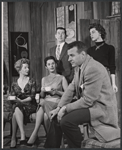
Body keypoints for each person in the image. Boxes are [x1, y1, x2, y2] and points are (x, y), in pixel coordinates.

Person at [50, 41, 120, 148]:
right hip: (91, 105)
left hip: (100, 108)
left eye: (72, 55)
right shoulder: (79, 67)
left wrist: (65, 108)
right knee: (55, 117)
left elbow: (88, 100)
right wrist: (59, 107)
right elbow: (71, 89)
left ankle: (79, 147)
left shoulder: (92, 68)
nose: (69, 59)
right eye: (68, 56)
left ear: (83, 54)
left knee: (66, 121)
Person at [26, 56, 68, 146]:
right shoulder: (44, 79)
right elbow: (42, 95)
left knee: (42, 103)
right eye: (49, 64)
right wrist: (42, 90)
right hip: (46, 102)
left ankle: (35, 132)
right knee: (45, 115)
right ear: (46, 67)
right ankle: (55, 140)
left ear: (56, 64)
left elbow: (67, 94)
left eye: (53, 63)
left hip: (57, 102)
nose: (51, 66)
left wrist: (56, 91)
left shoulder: (61, 78)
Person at [10, 58, 37, 148]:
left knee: (16, 111)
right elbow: (12, 96)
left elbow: (32, 96)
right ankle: (22, 134)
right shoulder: (14, 83)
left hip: (30, 105)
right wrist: (14, 99)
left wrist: (22, 101)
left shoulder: (31, 81)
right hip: (18, 105)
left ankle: (15, 137)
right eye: (25, 68)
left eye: (28, 67)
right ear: (19, 69)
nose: (28, 69)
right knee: (17, 107)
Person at [87, 23, 118, 93]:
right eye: (90, 33)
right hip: (92, 77)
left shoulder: (109, 48)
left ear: (100, 33)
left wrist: (113, 84)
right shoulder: (90, 50)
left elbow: (112, 66)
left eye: (93, 32)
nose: (91, 35)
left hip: (104, 76)